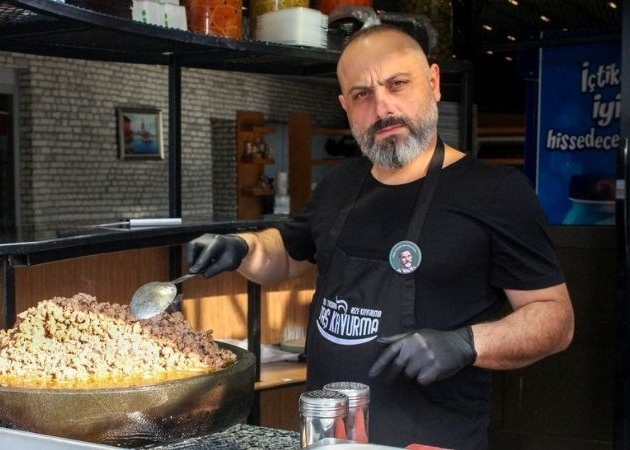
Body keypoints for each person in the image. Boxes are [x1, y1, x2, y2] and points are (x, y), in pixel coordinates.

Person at [186, 24, 573, 449]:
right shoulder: (340, 184)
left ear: (434, 83)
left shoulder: (495, 192)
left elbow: (555, 318)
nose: (382, 107)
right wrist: (242, 246)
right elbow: (287, 253)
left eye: (397, 84)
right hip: (330, 439)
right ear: (345, 106)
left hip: (432, 442)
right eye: (362, 95)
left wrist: (467, 343)